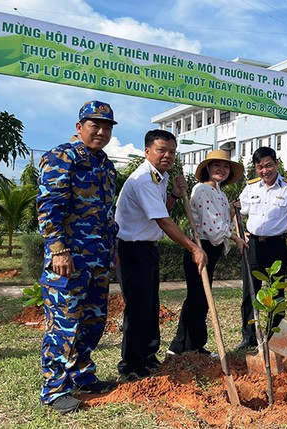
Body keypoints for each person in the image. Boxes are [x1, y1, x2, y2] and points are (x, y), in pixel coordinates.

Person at [37, 100, 120, 413]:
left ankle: (82, 376)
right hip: (68, 260)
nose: (100, 131)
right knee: (64, 324)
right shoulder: (62, 157)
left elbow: (107, 215)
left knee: (92, 322)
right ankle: (54, 389)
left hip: (97, 260)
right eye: (94, 125)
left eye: (106, 127)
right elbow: (49, 207)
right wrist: (57, 249)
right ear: (79, 127)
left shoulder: (105, 165)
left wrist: (112, 253)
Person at [115, 129, 206, 382]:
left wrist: (175, 195)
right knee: (137, 308)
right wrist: (193, 247)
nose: (168, 155)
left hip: (147, 249)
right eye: (161, 150)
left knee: (150, 305)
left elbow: (160, 210)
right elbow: (163, 221)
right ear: (147, 152)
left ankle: (148, 355)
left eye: (172, 152)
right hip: (132, 250)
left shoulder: (159, 178)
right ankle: (132, 364)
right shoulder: (144, 179)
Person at [167, 150, 246, 356]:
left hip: (213, 248)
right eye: (217, 165)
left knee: (200, 298)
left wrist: (230, 210)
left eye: (226, 166)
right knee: (197, 297)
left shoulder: (219, 193)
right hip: (200, 247)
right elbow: (212, 228)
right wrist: (235, 237)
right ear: (208, 169)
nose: (222, 170)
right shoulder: (202, 190)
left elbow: (222, 222)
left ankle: (189, 345)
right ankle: (182, 346)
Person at [236, 146, 287, 350]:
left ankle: (274, 337)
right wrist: (241, 235)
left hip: (277, 246)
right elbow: (238, 210)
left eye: (268, 165)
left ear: (276, 163)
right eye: (260, 167)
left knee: (276, 292)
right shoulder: (251, 187)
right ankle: (249, 337)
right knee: (250, 292)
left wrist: (284, 235)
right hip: (252, 245)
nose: (265, 171)